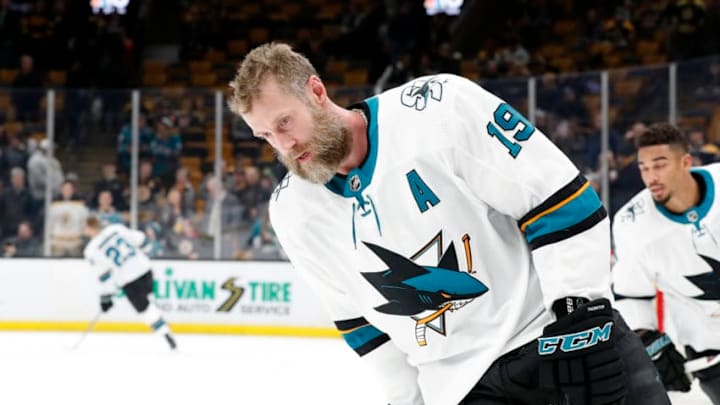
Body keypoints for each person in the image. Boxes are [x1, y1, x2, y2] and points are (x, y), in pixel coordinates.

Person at [227, 43, 670, 405]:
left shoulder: (437, 108)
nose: (283, 145)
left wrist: (580, 317)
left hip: (552, 335)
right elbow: (357, 322)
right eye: (265, 135)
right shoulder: (293, 212)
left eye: (285, 122)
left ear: (316, 92)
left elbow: (558, 199)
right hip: (460, 390)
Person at [612, 122, 720, 404]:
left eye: (659, 165)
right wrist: (650, 342)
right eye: (643, 168)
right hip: (711, 356)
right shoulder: (632, 224)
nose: (651, 176)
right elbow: (630, 294)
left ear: (686, 161)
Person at [82, 216, 177, 350]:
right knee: (149, 301)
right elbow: (141, 239)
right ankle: (160, 320)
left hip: (128, 280)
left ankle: (165, 334)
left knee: (146, 310)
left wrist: (106, 297)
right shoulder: (115, 229)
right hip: (145, 270)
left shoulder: (90, 250)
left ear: (89, 228)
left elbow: (104, 276)